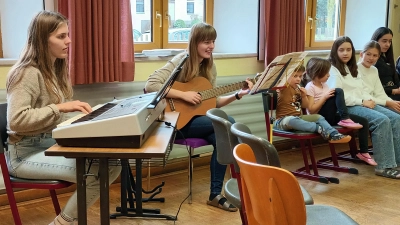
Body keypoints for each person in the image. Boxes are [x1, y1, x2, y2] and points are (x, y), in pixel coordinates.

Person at [5, 11, 121, 224]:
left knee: (112, 162)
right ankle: (63, 222)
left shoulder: (55, 69)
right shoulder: (26, 73)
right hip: (24, 154)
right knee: (103, 169)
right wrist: (59, 107)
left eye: (67, 35)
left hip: (50, 144)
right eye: (61, 36)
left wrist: (91, 118)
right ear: (42, 39)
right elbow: (16, 120)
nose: (68, 41)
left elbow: (57, 117)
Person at [145, 22, 253, 212]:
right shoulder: (180, 61)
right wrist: (183, 95)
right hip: (174, 122)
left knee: (223, 137)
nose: (211, 46)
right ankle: (242, 180)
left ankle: (215, 194)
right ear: (194, 43)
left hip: (197, 121)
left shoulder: (210, 68)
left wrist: (238, 94)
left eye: (213, 41)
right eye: (206, 42)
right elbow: (151, 85)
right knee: (229, 125)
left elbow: (212, 103)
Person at [326, 36, 400, 179]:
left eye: (348, 50)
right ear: (335, 51)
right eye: (341, 50)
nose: (345, 53)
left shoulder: (351, 67)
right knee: (382, 121)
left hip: (361, 102)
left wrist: (369, 100)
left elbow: (362, 90)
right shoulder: (332, 69)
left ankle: (396, 162)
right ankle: (384, 166)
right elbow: (338, 95)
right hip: (345, 109)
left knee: (396, 118)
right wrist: (362, 101)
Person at [304, 58, 375, 165]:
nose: (328, 75)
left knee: (363, 121)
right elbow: (311, 110)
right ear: (317, 74)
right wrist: (324, 97)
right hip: (319, 118)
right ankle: (345, 118)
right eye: (326, 73)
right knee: (338, 90)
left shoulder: (324, 85)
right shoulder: (310, 87)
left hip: (330, 116)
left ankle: (363, 152)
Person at [274, 65, 351, 144]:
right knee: (292, 120)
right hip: (282, 120)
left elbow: (305, 106)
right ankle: (319, 128)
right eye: (295, 76)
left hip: (298, 117)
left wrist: (304, 96)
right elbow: (277, 81)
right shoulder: (283, 87)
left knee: (318, 117)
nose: (298, 79)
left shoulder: (298, 88)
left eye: (300, 76)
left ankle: (334, 135)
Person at [359, 40, 400, 113]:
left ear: (378, 57)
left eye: (375, 55)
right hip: (364, 103)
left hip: (376, 102)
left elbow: (380, 93)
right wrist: (387, 103)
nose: (371, 58)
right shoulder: (355, 69)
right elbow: (362, 95)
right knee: (395, 117)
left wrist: (393, 103)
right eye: (368, 54)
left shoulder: (374, 70)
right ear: (361, 54)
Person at [370, 27, 400, 101]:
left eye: (390, 41)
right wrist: (393, 91)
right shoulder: (371, 60)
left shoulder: (386, 59)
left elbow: (395, 78)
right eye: (384, 41)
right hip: (385, 96)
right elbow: (372, 88)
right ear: (376, 40)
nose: (388, 44)